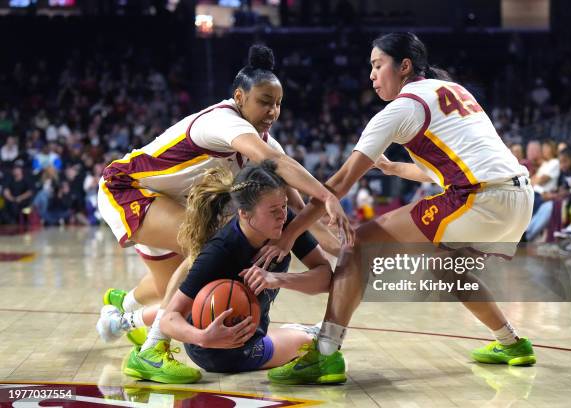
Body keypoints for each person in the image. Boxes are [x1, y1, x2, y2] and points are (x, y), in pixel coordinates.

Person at [259, 32, 536, 385]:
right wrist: (392, 168)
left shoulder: (401, 108)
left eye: (377, 65)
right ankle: (512, 343)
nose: (372, 76)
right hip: (519, 197)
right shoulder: (454, 91)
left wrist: (291, 234)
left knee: (356, 246)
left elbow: (340, 183)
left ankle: (325, 354)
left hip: (481, 199)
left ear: (404, 66)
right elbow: (446, 169)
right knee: (445, 269)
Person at [97, 45, 349, 384]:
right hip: (129, 189)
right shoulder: (222, 122)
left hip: (175, 203)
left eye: (278, 103)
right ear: (239, 97)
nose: (272, 110)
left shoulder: (267, 143)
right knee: (204, 255)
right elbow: (276, 163)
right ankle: (150, 353)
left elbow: (301, 215)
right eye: (264, 101)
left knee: (185, 288)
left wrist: (345, 249)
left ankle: (123, 307)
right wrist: (326, 194)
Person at [97, 162, 331, 378]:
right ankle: (304, 330)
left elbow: (325, 278)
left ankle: (124, 320)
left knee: (212, 298)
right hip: (219, 350)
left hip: (241, 316)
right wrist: (203, 337)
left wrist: (277, 279)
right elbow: (169, 318)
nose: (282, 215)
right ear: (244, 213)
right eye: (273, 210)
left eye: (285, 206)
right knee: (312, 341)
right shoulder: (220, 251)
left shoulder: (284, 223)